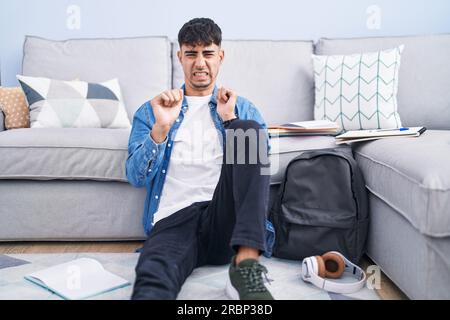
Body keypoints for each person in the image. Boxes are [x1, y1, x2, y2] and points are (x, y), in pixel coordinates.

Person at [126, 17, 274, 300]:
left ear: (220, 56)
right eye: (191, 54)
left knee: (247, 130)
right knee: (152, 278)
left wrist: (230, 120)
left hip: (224, 218)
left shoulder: (241, 107)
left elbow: (259, 168)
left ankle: (245, 265)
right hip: (173, 219)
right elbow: (135, 176)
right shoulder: (152, 110)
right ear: (180, 56)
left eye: (207, 53)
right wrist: (160, 130)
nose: (200, 62)